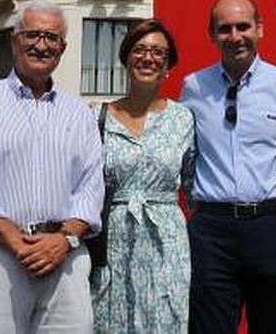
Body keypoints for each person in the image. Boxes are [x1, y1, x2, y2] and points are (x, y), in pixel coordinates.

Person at [0, 0, 103, 333]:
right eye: (32, 34)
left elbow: (91, 188)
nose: (41, 44)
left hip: (65, 257)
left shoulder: (79, 113)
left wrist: (63, 240)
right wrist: (19, 244)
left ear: (63, 48)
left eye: (51, 37)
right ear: (14, 40)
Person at [182, 0, 276, 334]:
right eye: (225, 29)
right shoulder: (192, 88)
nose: (235, 36)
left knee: (274, 326)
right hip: (211, 232)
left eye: (243, 26)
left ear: (260, 28)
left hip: (271, 227)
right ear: (211, 35)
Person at [90, 19, 196, 333]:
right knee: (110, 320)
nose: (148, 58)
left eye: (158, 52)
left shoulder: (183, 118)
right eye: (139, 50)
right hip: (113, 241)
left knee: (166, 318)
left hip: (167, 241)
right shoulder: (97, 116)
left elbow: (192, 187)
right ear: (125, 58)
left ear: (168, 65)